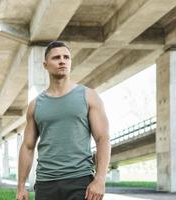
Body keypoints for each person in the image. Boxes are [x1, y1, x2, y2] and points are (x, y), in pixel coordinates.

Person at [16, 41, 111, 200]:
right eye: (56, 58)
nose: (62, 61)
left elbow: (103, 139)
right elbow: (27, 146)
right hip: (46, 183)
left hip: (80, 181)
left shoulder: (88, 96)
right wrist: (20, 186)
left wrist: (100, 179)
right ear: (45, 65)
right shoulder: (35, 105)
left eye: (66, 57)